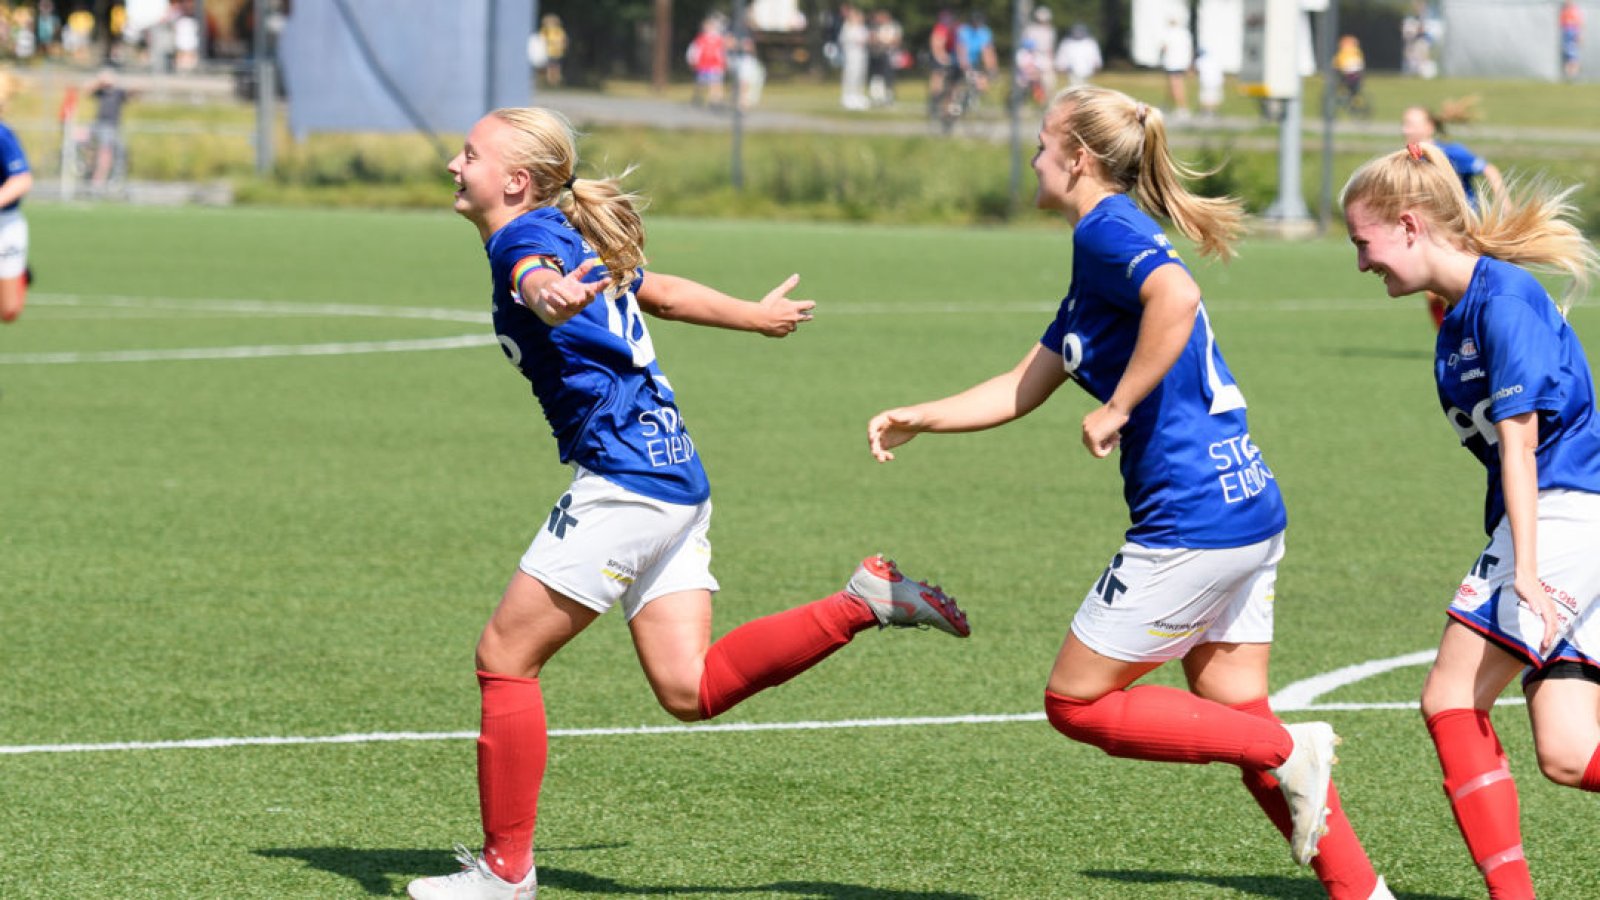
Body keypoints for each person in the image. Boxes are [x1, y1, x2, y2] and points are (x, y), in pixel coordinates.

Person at [407, 106, 970, 900]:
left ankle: (506, 873)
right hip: (675, 480)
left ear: (515, 182)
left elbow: (535, 284)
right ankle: (862, 601)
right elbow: (657, 291)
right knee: (688, 688)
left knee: (505, 659)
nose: (454, 165)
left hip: (628, 484)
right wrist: (754, 314)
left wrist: (549, 298)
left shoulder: (523, 240)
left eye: (469, 155)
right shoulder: (568, 234)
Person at [865, 84, 1391, 900]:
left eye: (1043, 144)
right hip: (1244, 503)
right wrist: (921, 417)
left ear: (1077, 158)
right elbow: (1022, 385)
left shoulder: (1109, 228)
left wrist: (1118, 405)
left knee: (1076, 703)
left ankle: (1292, 749)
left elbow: (1177, 298)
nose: (1034, 157)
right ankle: (1362, 889)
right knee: (1236, 712)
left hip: (1192, 517)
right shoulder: (1100, 248)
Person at [1341, 141, 1600, 900]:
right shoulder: (1460, 318)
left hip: (1561, 520)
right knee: (1566, 748)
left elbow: (1521, 446)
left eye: (1364, 242)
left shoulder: (1506, 300)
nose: (1361, 263)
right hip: (1560, 526)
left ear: (1411, 225)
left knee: (1449, 699)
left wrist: (1522, 568)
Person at [1400, 100, 1504, 327]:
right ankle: (1453, 339)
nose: (1405, 129)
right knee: (1433, 291)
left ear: (1429, 127)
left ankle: (1476, 334)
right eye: (1404, 124)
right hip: (1434, 230)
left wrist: (1504, 203)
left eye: (1410, 124)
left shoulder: (1449, 152)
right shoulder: (1409, 159)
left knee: (1461, 286)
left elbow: (1489, 169)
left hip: (1463, 228)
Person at [0, 70, 30, 326]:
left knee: (9, 311)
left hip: (5, 223)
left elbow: (21, 180)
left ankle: (22, 276)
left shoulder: (2, 135)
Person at [87, 67, 132, 194]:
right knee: (102, 153)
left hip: (114, 127)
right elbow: (88, 90)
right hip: (101, 125)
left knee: (116, 153)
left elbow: (131, 95)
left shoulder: (118, 92)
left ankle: (110, 180)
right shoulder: (101, 92)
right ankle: (97, 180)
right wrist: (100, 82)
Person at [926, 10, 962, 118]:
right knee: (938, 74)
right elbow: (936, 46)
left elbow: (960, 46)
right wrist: (943, 58)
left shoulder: (957, 28)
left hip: (952, 55)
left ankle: (952, 103)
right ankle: (935, 98)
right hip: (940, 55)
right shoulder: (940, 28)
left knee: (955, 80)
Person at [687, 15, 728, 109]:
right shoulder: (700, 40)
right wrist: (692, 60)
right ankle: (698, 98)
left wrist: (723, 62)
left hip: (715, 66)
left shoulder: (719, 40)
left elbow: (721, 53)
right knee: (701, 83)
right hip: (703, 65)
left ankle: (715, 101)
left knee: (716, 84)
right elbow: (694, 51)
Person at [866, 8, 903, 107]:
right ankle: (877, 96)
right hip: (879, 54)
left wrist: (886, 42)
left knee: (889, 77)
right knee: (877, 76)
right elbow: (872, 39)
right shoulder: (877, 27)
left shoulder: (894, 26)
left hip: (890, 54)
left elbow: (897, 40)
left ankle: (889, 96)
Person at [1158, 17, 1194, 118]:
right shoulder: (1185, 33)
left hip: (1172, 62)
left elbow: (1164, 47)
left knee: (1176, 85)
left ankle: (1182, 108)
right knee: (1172, 85)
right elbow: (1189, 49)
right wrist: (1190, 63)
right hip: (1182, 62)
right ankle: (1167, 105)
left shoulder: (1169, 33)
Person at [837, 4, 869, 110]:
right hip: (851, 55)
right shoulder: (847, 27)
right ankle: (847, 96)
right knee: (850, 75)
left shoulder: (862, 27)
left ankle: (858, 95)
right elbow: (843, 40)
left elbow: (866, 39)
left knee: (860, 75)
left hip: (861, 54)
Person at [1054, 22, 1102, 87]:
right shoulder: (1067, 43)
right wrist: (1061, 66)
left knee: (1087, 87)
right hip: (1072, 71)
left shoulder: (1090, 43)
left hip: (1088, 70)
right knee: (1074, 87)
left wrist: (1097, 65)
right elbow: (1062, 56)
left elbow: (1095, 55)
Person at [1333, 35, 1368, 117]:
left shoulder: (1344, 52)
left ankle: (1347, 100)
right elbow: (1361, 63)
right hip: (1357, 75)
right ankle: (1354, 103)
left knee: (1343, 86)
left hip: (1348, 74)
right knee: (1354, 92)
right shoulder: (1356, 51)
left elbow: (1337, 63)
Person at [538, 14, 567, 87]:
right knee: (549, 67)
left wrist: (562, 46)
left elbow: (563, 40)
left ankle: (555, 81)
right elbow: (541, 40)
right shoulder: (545, 31)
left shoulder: (559, 31)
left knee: (556, 67)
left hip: (557, 52)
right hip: (548, 52)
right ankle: (550, 81)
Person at [1561, 0, 1584, 81]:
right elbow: (1562, 24)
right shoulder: (1564, 11)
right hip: (1566, 34)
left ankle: (1573, 75)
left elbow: (1579, 24)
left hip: (1572, 34)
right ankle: (1568, 76)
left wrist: (1579, 35)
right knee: (1567, 56)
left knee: (1573, 56)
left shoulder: (1575, 11)